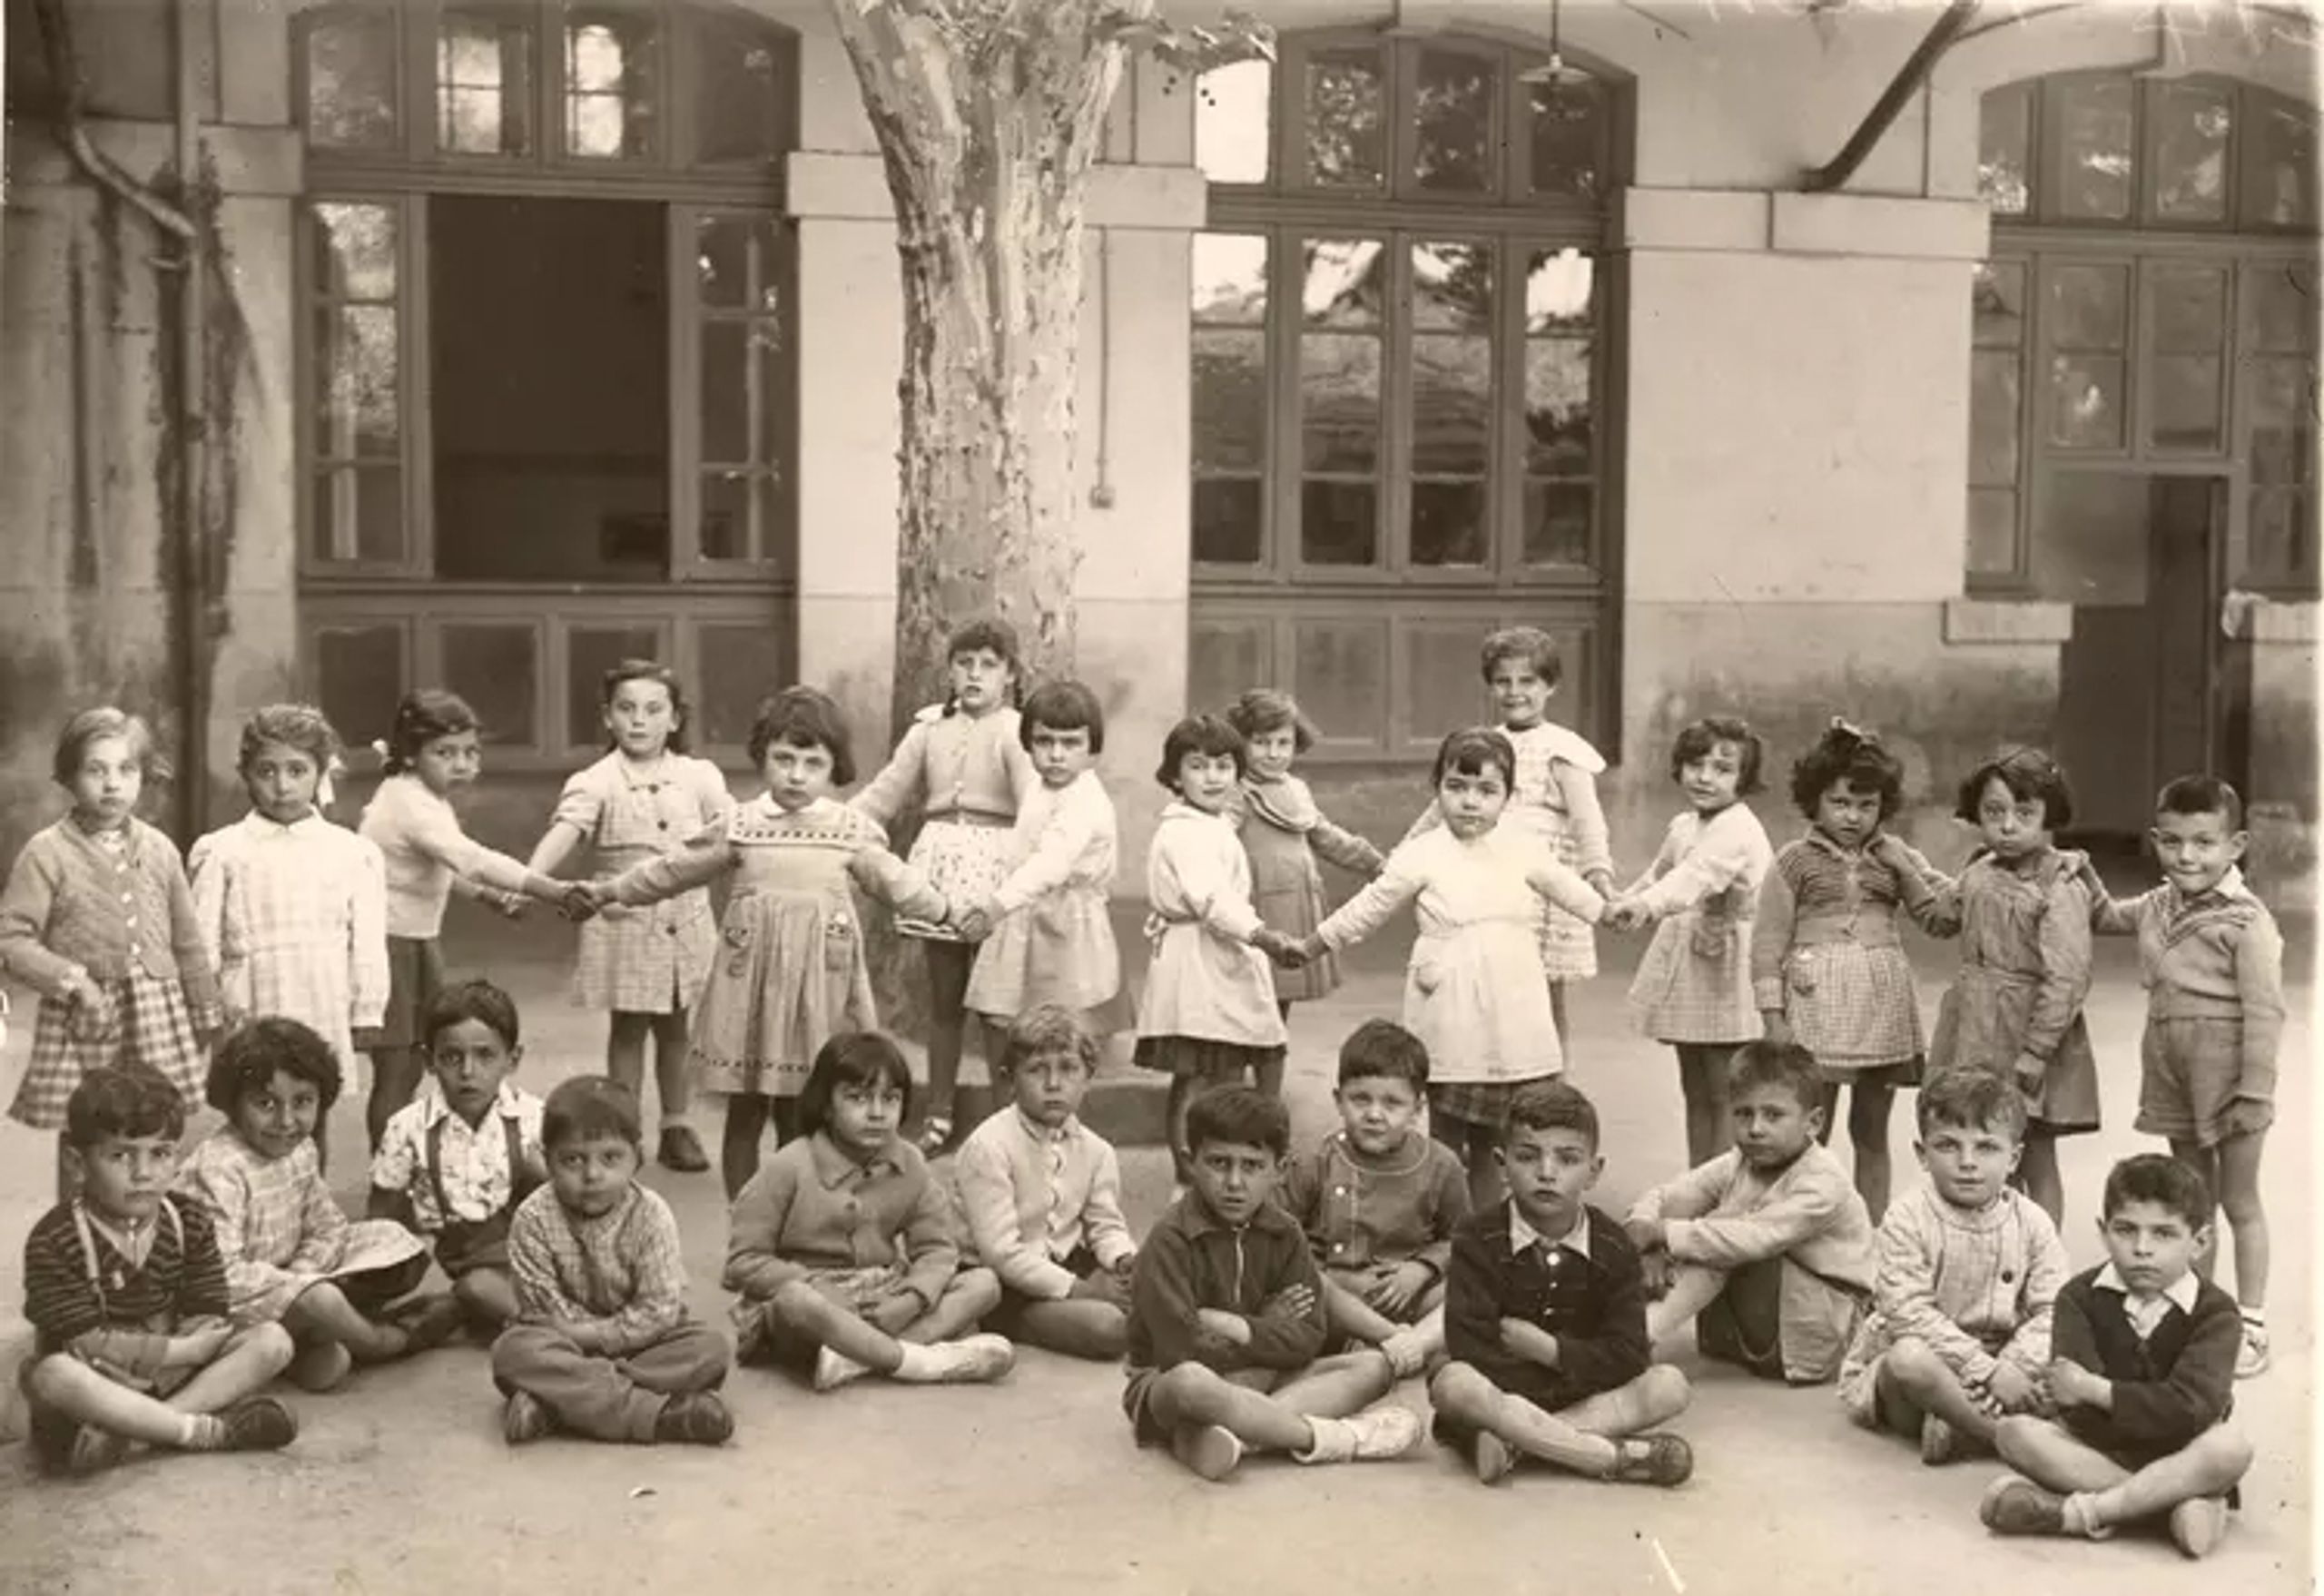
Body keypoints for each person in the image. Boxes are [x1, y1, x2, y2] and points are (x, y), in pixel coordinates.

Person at [568, 686, 950, 1200]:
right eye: (783, 759)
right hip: (751, 992)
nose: (796, 775)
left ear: (833, 766)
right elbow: (673, 869)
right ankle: (747, 1230)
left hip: (819, 991)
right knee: (746, 1113)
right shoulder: (741, 825)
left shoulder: (848, 829)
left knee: (805, 1114)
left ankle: (800, 1224)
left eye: (812, 763)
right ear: (762, 756)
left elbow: (896, 882)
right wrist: (610, 890)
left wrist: (951, 913)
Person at [1289, 727, 1605, 1210]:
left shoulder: (1522, 845)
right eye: (1457, 788)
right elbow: (1370, 906)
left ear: (1508, 796)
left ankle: (1489, 1233)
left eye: (1486, 790)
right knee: (1447, 1135)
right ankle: (1445, 1231)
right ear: (1438, 789)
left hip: (1512, 1000)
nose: (1470, 802)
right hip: (1450, 1002)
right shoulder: (1423, 852)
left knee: (1496, 1140)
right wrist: (1314, 943)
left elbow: (1574, 892)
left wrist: (1618, 910)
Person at [2082, 776, 2283, 1381]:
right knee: (2193, 1198)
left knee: (2238, 1199)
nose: (2187, 857)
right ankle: (2201, 1312)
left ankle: (2248, 1322)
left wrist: (2255, 1090)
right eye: (2172, 843)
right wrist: (2074, 868)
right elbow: (2103, 914)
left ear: (2236, 845)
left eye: (2204, 843)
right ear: (2155, 842)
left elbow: (2267, 1011)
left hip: (2229, 1067)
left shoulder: (2248, 920)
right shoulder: (2157, 904)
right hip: (2169, 1062)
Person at [1121, 1087, 1421, 1482]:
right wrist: (1269, 1329)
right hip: (1172, 1387)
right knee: (1193, 1383)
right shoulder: (1170, 1240)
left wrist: (1241, 1327)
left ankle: (1236, 1437)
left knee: (1373, 1366)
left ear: (1280, 1169)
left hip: (1259, 1375)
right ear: (1190, 1162)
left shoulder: (1284, 1233)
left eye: (1251, 1166)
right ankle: (1334, 1438)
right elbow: (1180, 1351)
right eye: (1218, 1163)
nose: (1233, 1181)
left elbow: (1311, 1335)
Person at [19, 1068, 298, 1476]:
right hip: (98, 1381)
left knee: (272, 1340)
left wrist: (183, 1354)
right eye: (120, 1155)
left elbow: (208, 1310)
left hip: (171, 1377)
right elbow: (81, 1337)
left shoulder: (188, 1221)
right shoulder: (56, 1239)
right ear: (77, 1163)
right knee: (53, 1374)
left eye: (161, 1153)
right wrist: (183, 1352)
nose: (143, 1173)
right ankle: (206, 1431)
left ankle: (142, 1430)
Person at [1981, 1154, 2255, 1559]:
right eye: (2126, 1230)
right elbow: (2074, 1410)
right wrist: (2112, 1402)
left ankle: (2082, 1513)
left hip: (2185, 1452)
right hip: (2101, 1450)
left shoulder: (2217, 1312)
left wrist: (2098, 1390)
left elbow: (2193, 1409)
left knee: (2231, 1447)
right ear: (2103, 1231)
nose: (2142, 1249)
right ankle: (2173, 1507)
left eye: (2164, 1234)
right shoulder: (2078, 1297)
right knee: (2015, 1433)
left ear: (2200, 1242)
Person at [0, 707, 222, 1199]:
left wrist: (206, 1011)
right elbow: (11, 939)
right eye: (95, 770)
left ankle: (149, 1236)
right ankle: (77, 1248)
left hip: (156, 1014)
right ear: (68, 776)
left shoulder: (161, 849)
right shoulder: (46, 852)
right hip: (84, 1022)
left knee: (154, 1127)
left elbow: (187, 940)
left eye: (126, 770)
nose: (112, 785)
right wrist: (73, 981)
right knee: (87, 1134)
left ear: (143, 776)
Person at [1428, 1080, 1693, 1487]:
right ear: (1501, 1164)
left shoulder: (1613, 1246)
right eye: (1527, 1157)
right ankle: (1607, 1456)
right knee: (1452, 1382)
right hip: (1498, 1392)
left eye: (1567, 1159)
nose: (1547, 1173)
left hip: (1583, 1398)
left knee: (1668, 1386)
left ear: (1594, 1171)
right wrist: (1535, 1385)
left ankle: (1519, 1443)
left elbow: (1630, 1354)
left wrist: (1552, 1352)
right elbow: (1469, 1344)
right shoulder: (1475, 1238)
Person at [524, 660, 731, 1174]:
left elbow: (734, 832)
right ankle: (625, 1128)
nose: (640, 721)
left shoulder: (698, 777)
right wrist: (527, 878)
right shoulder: (595, 781)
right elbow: (567, 830)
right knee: (629, 1028)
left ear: (675, 719)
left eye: (654, 710)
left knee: (680, 1027)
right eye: (627, 709)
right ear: (608, 718)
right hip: (623, 919)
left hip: (686, 916)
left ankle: (677, 1123)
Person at [177, 1019, 459, 1393]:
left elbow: (328, 1226)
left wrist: (305, 1268)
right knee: (323, 1302)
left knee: (396, 1242)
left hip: (291, 1278)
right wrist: (302, 1286)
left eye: (303, 1102)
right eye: (265, 1104)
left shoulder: (301, 1149)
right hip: (229, 1302)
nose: (286, 1121)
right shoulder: (220, 1167)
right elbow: (222, 1275)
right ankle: (383, 1342)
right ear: (232, 1103)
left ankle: (318, 1338)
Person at [724, 1032, 1014, 1392]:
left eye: (890, 1099)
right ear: (826, 1105)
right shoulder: (788, 1167)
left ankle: (856, 1359)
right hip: (815, 1302)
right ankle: (919, 1361)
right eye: (858, 1098)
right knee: (795, 1302)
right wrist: (813, 1284)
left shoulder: (910, 1164)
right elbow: (743, 1262)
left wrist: (911, 1299)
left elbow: (937, 1250)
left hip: (883, 1295)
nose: (877, 1113)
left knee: (984, 1283)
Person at [1881, 747, 2098, 1226]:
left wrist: (2037, 1051)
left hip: (2026, 1031)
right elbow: (1941, 916)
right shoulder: (1979, 870)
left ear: (2048, 815)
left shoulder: (2060, 885)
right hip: (1973, 1025)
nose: (2007, 826)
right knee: (1976, 1141)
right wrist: (1904, 868)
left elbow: (2067, 977)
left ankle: (2040, 1264)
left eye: (2024, 813)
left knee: (2033, 1151)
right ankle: (1984, 1249)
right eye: (1994, 812)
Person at [852, 617, 1039, 1157]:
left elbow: (1033, 806)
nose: (974, 674)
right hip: (942, 869)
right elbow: (884, 792)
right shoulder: (929, 728)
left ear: (1009, 674)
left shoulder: (1015, 730)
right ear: (950, 670)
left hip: (998, 868)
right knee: (944, 1000)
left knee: (998, 1007)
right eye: (964, 663)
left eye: (988, 664)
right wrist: (834, 825)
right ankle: (939, 1112)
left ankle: (1010, 1117)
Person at [357, 690, 575, 1151]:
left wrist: (487, 896)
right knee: (397, 1069)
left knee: (418, 1061)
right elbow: (468, 857)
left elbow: (437, 866)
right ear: (411, 755)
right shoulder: (405, 801)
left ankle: (412, 1160)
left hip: (417, 941)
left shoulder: (427, 798)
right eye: (444, 753)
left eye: (470, 752)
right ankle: (389, 1171)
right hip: (386, 945)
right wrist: (550, 889)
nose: (460, 764)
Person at [189, 703, 388, 1177]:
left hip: (320, 999)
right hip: (252, 1002)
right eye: (267, 771)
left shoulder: (352, 853)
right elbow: (202, 943)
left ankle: (306, 1207)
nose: (282, 786)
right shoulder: (223, 851)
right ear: (246, 774)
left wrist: (368, 1010)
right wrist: (206, 1014)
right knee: (252, 1112)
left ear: (321, 773)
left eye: (297, 770)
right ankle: (248, 1207)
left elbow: (367, 942)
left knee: (305, 1110)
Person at [1752, 718, 1936, 1223]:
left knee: (1872, 1129)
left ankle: (1870, 1230)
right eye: (1840, 803)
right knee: (1812, 1126)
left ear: (1884, 807)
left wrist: (1911, 867)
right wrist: (1773, 1015)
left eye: (1867, 805)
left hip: (1881, 1005)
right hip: (1816, 1007)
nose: (1853, 816)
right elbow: (1768, 941)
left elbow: (1939, 914)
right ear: (1814, 800)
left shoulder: (1895, 857)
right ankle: (1807, 1224)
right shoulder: (1793, 861)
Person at [1398, 627, 1612, 1057]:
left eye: (1528, 681)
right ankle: (1488, 1073)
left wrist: (1599, 876)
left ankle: (1549, 1082)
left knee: (1540, 996)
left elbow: (1589, 823)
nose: (1515, 692)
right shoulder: (1486, 744)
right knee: (1482, 984)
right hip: (1485, 880)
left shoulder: (1564, 750)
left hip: (1541, 890)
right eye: (1503, 681)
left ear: (1551, 685)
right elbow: (1442, 806)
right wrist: (1401, 858)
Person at [1837, 1069, 2069, 1463]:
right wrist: (1984, 1372)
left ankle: (1962, 1429)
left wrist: (2010, 1368)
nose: (1967, 1162)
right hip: (1930, 1361)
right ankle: (2001, 1437)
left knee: (2073, 1363)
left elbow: (2053, 1310)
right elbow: (1908, 1314)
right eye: (1947, 1146)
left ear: (2014, 1157)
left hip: (2007, 1362)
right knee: (1908, 1361)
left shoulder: (2033, 1222)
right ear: (1922, 1154)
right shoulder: (1906, 1217)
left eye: (1986, 1148)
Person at [491, 1077, 734, 1447]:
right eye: (573, 1159)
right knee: (514, 1352)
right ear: (546, 1158)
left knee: (710, 1349)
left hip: (643, 1343)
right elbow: (544, 1311)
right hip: (562, 1345)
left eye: (610, 1158)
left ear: (637, 1156)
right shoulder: (533, 1218)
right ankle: (660, 1416)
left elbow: (657, 1310)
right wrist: (578, 1340)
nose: (592, 1175)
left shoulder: (652, 1215)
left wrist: (595, 1339)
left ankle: (557, 1402)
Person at [1624, 1040, 1875, 1384]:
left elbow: (1755, 1239)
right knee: (1705, 1230)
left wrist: (1664, 1233)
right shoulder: (1742, 1160)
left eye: (1773, 1115)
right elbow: (1670, 1195)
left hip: (1819, 1328)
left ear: (1814, 1123)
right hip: (1761, 1318)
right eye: (1743, 1113)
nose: (1755, 1128)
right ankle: (1615, 1325)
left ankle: (1634, 1339)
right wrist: (1645, 1231)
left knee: (1722, 1235)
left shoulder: (1824, 1181)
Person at [1131, 714, 1300, 1184]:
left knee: (1228, 1067)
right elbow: (1211, 899)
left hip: (1221, 956)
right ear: (1174, 775)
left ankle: (1230, 1164)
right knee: (1201, 1074)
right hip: (1199, 961)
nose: (1212, 778)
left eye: (1223, 767)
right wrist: (1265, 936)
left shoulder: (1211, 824)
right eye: (1198, 767)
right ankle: (1188, 1174)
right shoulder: (1186, 832)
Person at [1605, 715, 1776, 1168]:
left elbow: (1694, 878)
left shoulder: (1737, 829)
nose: (1705, 777)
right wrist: (1626, 900)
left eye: (1722, 769)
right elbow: (1660, 874)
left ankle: (1726, 1186)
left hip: (1730, 963)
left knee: (1726, 1088)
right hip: (1691, 959)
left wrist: (1646, 908)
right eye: (1696, 764)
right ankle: (1698, 1178)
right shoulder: (1684, 825)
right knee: (1695, 1085)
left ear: (1743, 779)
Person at [1279, 1020, 1468, 1377]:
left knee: (1472, 1290)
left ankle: (1409, 1346)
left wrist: (1421, 1269)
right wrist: (1318, 1276)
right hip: (1333, 1297)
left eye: (1393, 1103)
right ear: (1338, 1100)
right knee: (1300, 1295)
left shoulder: (1442, 1164)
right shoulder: (1314, 1162)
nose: (1374, 1115)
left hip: (1407, 1295)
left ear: (1418, 1108)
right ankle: (1388, 1346)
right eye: (1360, 1099)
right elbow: (1279, 1231)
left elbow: (1461, 1238)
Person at [1222, 688, 1384, 1098]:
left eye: (1283, 743)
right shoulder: (1236, 792)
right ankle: (1234, 1087)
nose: (1273, 753)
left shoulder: (1295, 789)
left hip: (1294, 906)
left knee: (1279, 1002)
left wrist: (1371, 860)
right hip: (1258, 909)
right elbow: (1217, 841)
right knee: (1246, 1002)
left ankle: (1267, 1092)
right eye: (1260, 742)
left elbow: (1324, 836)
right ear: (1240, 742)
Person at [955, 1005, 1138, 1361]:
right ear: (1010, 1079)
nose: (1054, 1084)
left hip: (1067, 1264)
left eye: (1069, 1069)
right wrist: (1082, 1291)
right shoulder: (989, 1146)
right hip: (1005, 1284)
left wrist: (1123, 1259)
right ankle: (1016, 1325)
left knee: (1156, 1286)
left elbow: (1105, 1225)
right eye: (1037, 1070)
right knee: (1109, 1328)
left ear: (1088, 1076)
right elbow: (1001, 1252)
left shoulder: (1097, 1150)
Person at [368, 980, 546, 1337]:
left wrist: (541, 1173)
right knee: (475, 1289)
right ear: (428, 1060)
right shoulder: (408, 1128)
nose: (467, 1072)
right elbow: (382, 1217)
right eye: (452, 1057)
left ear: (513, 1059)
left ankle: (534, 1326)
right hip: (477, 1271)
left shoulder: (536, 1119)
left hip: (544, 1262)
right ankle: (543, 1329)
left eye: (485, 1056)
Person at [958, 679, 1127, 1053]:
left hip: (1065, 924)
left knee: (1061, 1026)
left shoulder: (1084, 799)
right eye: (1044, 741)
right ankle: (1010, 1103)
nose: (1056, 755)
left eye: (1070, 744)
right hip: (1024, 916)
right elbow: (1022, 847)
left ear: (1092, 750)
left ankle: (1057, 1102)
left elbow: (1052, 863)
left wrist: (996, 906)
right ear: (1029, 743)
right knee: (1003, 1020)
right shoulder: (1039, 787)